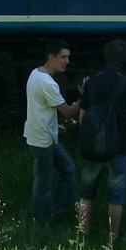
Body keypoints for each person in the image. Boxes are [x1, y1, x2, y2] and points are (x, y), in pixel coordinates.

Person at [77, 39, 126, 241]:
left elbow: (82, 116)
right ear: (125, 59)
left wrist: (89, 139)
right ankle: (113, 238)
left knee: (86, 193)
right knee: (115, 197)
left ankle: (83, 234)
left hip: (92, 149)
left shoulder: (92, 81)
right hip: (118, 148)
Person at [24, 39, 81, 226]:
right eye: (63, 57)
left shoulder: (35, 73)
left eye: (68, 57)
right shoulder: (48, 83)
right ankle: (41, 223)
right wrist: (83, 97)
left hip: (44, 135)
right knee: (43, 184)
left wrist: (54, 126)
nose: (67, 61)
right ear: (51, 57)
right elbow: (69, 112)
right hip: (42, 141)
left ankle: (56, 211)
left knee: (68, 168)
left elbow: (39, 107)